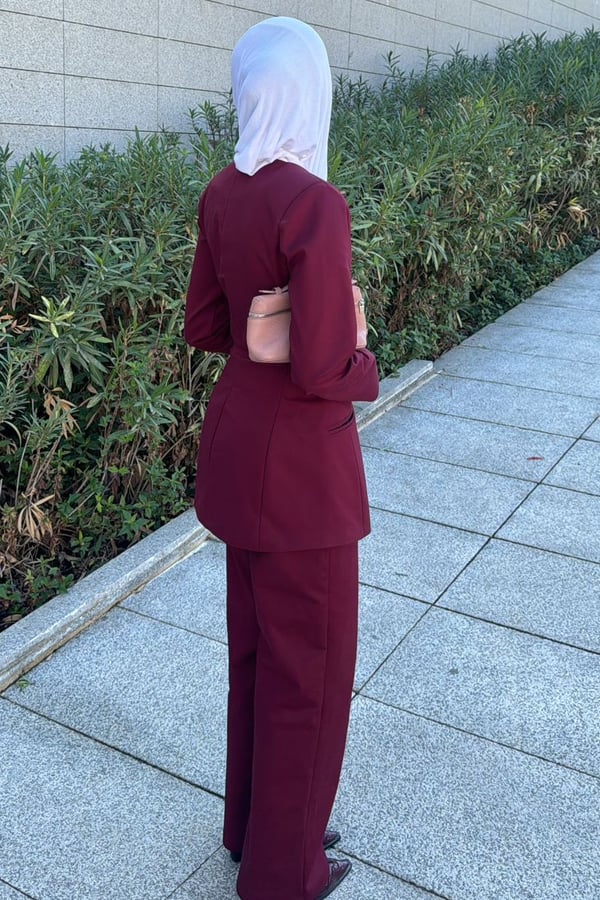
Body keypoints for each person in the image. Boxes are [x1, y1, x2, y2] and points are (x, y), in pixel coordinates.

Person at [184, 16, 379, 900]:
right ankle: (283, 873)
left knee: (258, 658)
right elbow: (325, 368)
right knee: (312, 672)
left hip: (238, 457)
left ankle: (254, 829)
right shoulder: (314, 202)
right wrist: (368, 363)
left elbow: (205, 326)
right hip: (303, 476)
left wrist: (261, 325)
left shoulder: (223, 192)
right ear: (311, 93)